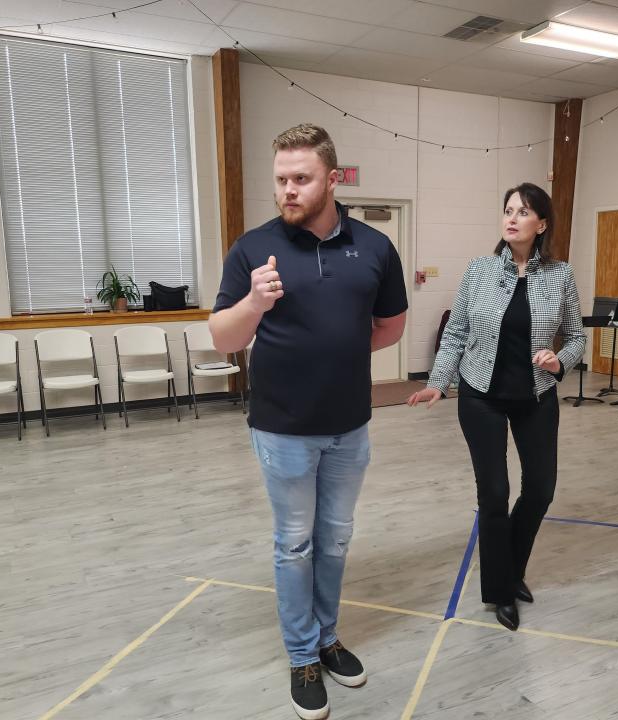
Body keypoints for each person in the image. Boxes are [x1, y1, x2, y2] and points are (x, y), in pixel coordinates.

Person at [210, 124, 408, 720]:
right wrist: (254, 303)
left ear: (332, 178)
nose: (288, 190)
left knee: (336, 538)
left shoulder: (374, 247)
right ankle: (302, 654)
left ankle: (328, 637)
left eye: (301, 179)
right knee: (294, 544)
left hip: (350, 425)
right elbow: (223, 340)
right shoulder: (252, 249)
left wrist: (337, 352)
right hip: (282, 426)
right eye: (281, 180)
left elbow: (391, 326)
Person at [408, 182, 584, 632]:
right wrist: (437, 382)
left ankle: (512, 568)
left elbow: (578, 337)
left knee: (541, 489)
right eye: (508, 210)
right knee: (495, 493)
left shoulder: (560, 275)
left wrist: (559, 359)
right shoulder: (480, 270)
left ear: (541, 224)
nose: (512, 218)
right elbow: (456, 333)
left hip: (537, 395)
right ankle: (500, 591)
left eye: (523, 212)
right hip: (480, 394)